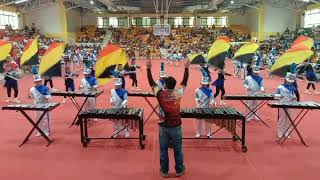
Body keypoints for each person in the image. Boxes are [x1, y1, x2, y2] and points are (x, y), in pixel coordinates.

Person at [146, 59, 189, 177]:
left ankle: (164, 171)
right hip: (176, 126)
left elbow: (151, 83)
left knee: (163, 150)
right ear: (175, 85)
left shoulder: (160, 93)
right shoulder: (178, 92)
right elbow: (185, 81)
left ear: (165, 85)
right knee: (178, 150)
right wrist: (186, 68)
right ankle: (179, 170)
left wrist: (148, 69)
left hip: (163, 127)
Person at [275, 73, 297, 138]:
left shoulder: (293, 88)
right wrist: (280, 96)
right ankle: (280, 132)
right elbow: (276, 96)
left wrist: (294, 98)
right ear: (285, 80)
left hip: (290, 105)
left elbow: (294, 96)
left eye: (291, 82)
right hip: (282, 105)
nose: (289, 82)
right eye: (288, 81)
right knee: (281, 119)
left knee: (289, 119)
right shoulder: (280, 87)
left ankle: (287, 132)